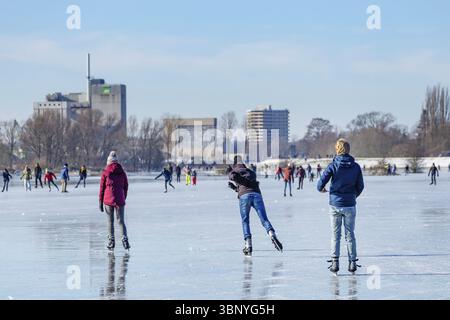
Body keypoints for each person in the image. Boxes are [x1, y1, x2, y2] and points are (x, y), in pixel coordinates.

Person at [317, 139, 364, 274]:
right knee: (350, 234)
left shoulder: (333, 165)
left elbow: (320, 184)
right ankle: (352, 263)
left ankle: (335, 263)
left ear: (337, 149)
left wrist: (322, 189)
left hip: (335, 204)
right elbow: (360, 186)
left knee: (335, 235)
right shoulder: (355, 167)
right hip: (350, 205)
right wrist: (353, 196)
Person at [228, 155, 283, 256]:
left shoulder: (235, 170)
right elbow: (247, 184)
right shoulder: (250, 172)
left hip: (244, 197)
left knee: (245, 221)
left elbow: (234, 177)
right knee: (264, 219)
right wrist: (235, 188)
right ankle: (272, 234)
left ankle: (248, 245)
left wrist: (230, 171)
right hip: (257, 195)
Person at [99, 151, 130, 251]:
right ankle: (125, 240)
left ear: (108, 162)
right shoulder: (122, 172)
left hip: (108, 199)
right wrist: (123, 196)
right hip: (120, 200)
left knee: (110, 222)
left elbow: (102, 188)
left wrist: (100, 201)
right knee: (121, 221)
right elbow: (126, 186)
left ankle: (111, 242)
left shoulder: (105, 172)